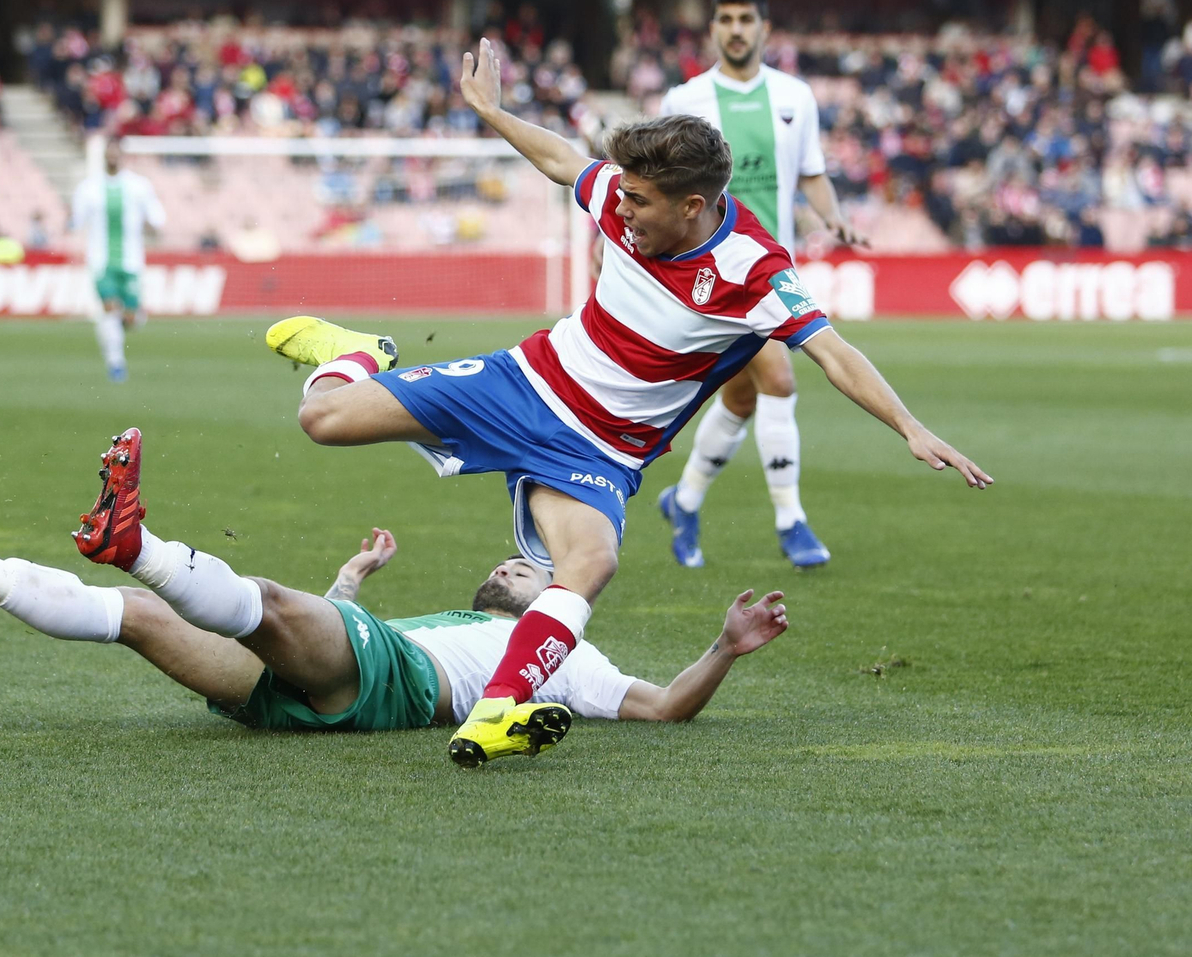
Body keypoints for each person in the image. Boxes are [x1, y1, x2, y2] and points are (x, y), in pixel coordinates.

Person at [263, 37, 991, 766]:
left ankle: (498, 710)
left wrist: (909, 426)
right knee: (322, 419)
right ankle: (356, 352)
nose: (624, 209)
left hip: (601, 451)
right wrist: (492, 110)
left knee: (592, 560)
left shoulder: (755, 271)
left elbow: (834, 352)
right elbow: (560, 161)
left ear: (695, 206)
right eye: (625, 193)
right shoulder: (624, 193)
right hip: (527, 381)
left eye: (641, 202)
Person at [0, 429, 790, 755]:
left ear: (552, 601)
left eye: (529, 568)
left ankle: (137, 543)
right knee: (138, 621)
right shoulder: (454, 620)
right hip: (320, 692)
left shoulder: (572, 661)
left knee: (272, 604)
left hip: (396, 682)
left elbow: (665, 708)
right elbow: (325, 646)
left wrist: (724, 646)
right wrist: (352, 582)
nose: (513, 566)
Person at [652, 0, 859, 569]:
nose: (736, 29)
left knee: (741, 397)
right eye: (726, 19)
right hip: (708, 271)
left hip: (771, 267)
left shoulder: (796, 96)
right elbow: (662, 186)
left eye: (747, 19)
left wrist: (834, 218)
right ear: (713, 28)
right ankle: (792, 520)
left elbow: (812, 173)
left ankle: (684, 500)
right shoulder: (685, 99)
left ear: (764, 28)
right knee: (781, 381)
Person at [70, 141, 166, 381]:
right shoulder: (89, 188)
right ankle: (116, 364)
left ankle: (127, 321)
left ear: (122, 156)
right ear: (104, 157)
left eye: (116, 154)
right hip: (101, 261)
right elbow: (76, 220)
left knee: (131, 318)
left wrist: (153, 226)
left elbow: (157, 217)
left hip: (131, 261)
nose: (112, 158)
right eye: (109, 154)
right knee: (110, 309)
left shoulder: (139, 186)